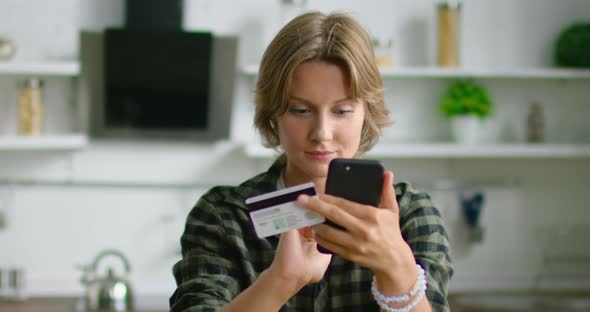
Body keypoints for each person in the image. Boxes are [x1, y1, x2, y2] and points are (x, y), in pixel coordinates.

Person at [170, 11, 453, 312]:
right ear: (273, 113)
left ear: (365, 113)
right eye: (301, 111)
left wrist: (396, 268)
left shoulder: (410, 214)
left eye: (342, 111)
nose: (321, 133)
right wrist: (281, 280)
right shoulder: (224, 216)